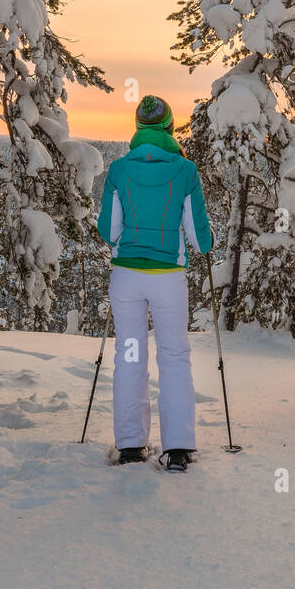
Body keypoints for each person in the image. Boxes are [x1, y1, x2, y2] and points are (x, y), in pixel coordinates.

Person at [97, 95, 213, 471]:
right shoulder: (185, 171)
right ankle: (178, 447)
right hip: (168, 279)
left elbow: (108, 231)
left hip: (127, 277)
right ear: (169, 128)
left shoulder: (118, 169)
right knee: (174, 357)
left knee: (129, 356)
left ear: (138, 128)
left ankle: (131, 445)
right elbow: (200, 240)